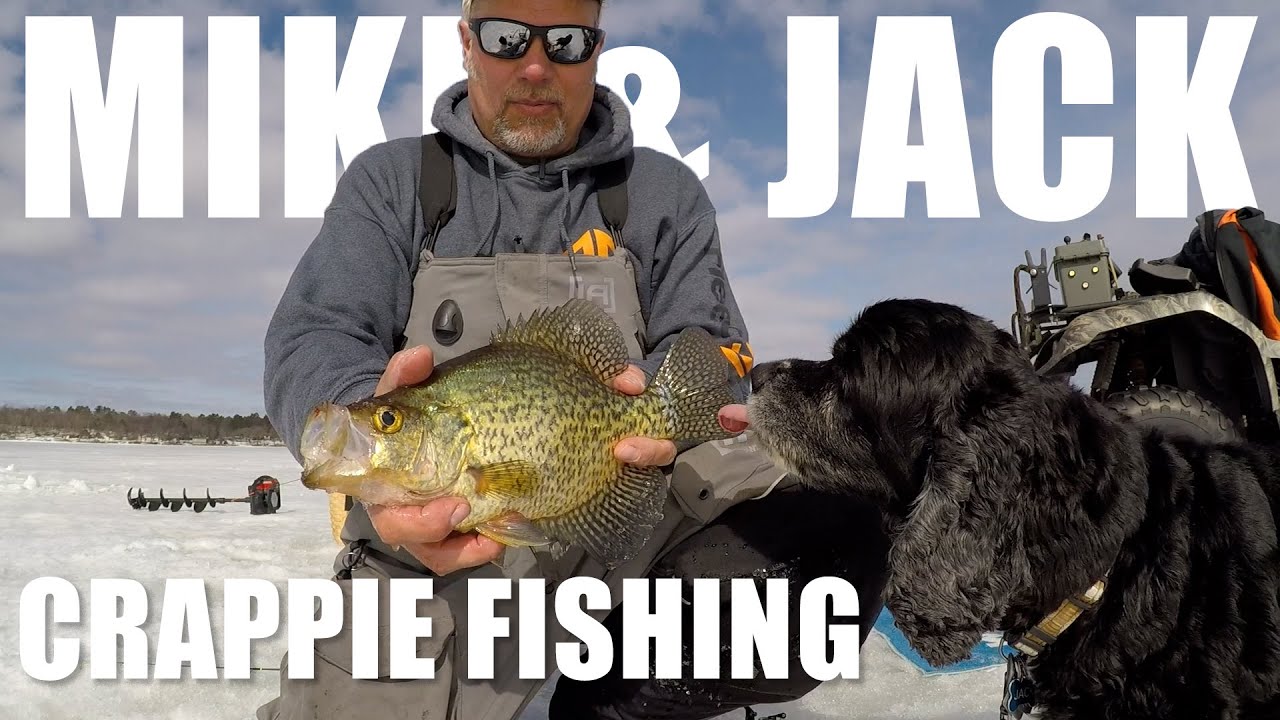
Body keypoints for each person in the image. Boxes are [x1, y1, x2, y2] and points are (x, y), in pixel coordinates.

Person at [257, 1, 890, 718]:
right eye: (505, 38)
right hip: (432, 569)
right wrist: (372, 426)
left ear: (595, 49)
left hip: (633, 534)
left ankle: (604, 702)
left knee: (833, 535)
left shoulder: (663, 195)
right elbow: (311, 335)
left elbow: (709, 349)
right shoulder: (394, 182)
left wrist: (654, 402)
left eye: (564, 41)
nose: (535, 66)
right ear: (467, 43)